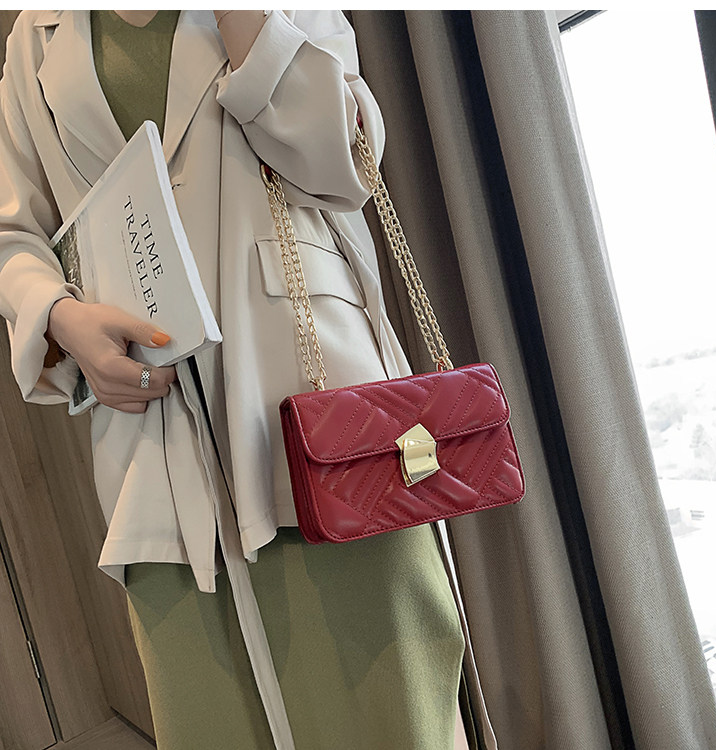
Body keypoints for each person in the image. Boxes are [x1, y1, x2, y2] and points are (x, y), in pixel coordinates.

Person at [0, 10, 472, 749]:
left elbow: (346, 162)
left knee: (392, 713)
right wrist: (58, 318)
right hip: (156, 456)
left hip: (318, 422)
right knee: (212, 718)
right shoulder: (36, 34)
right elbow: (12, 234)